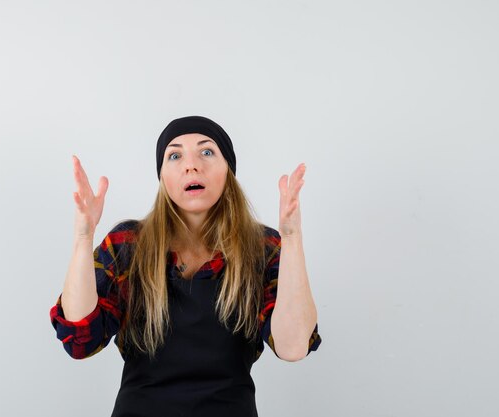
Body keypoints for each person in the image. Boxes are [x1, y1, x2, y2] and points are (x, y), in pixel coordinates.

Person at [49, 115, 322, 417]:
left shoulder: (263, 248)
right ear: (163, 176)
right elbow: (79, 341)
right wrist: (83, 235)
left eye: (207, 152)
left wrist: (292, 237)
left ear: (228, 170)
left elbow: (294, 346)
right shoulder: (128, 244)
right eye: (175, 155)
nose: (191, 165)